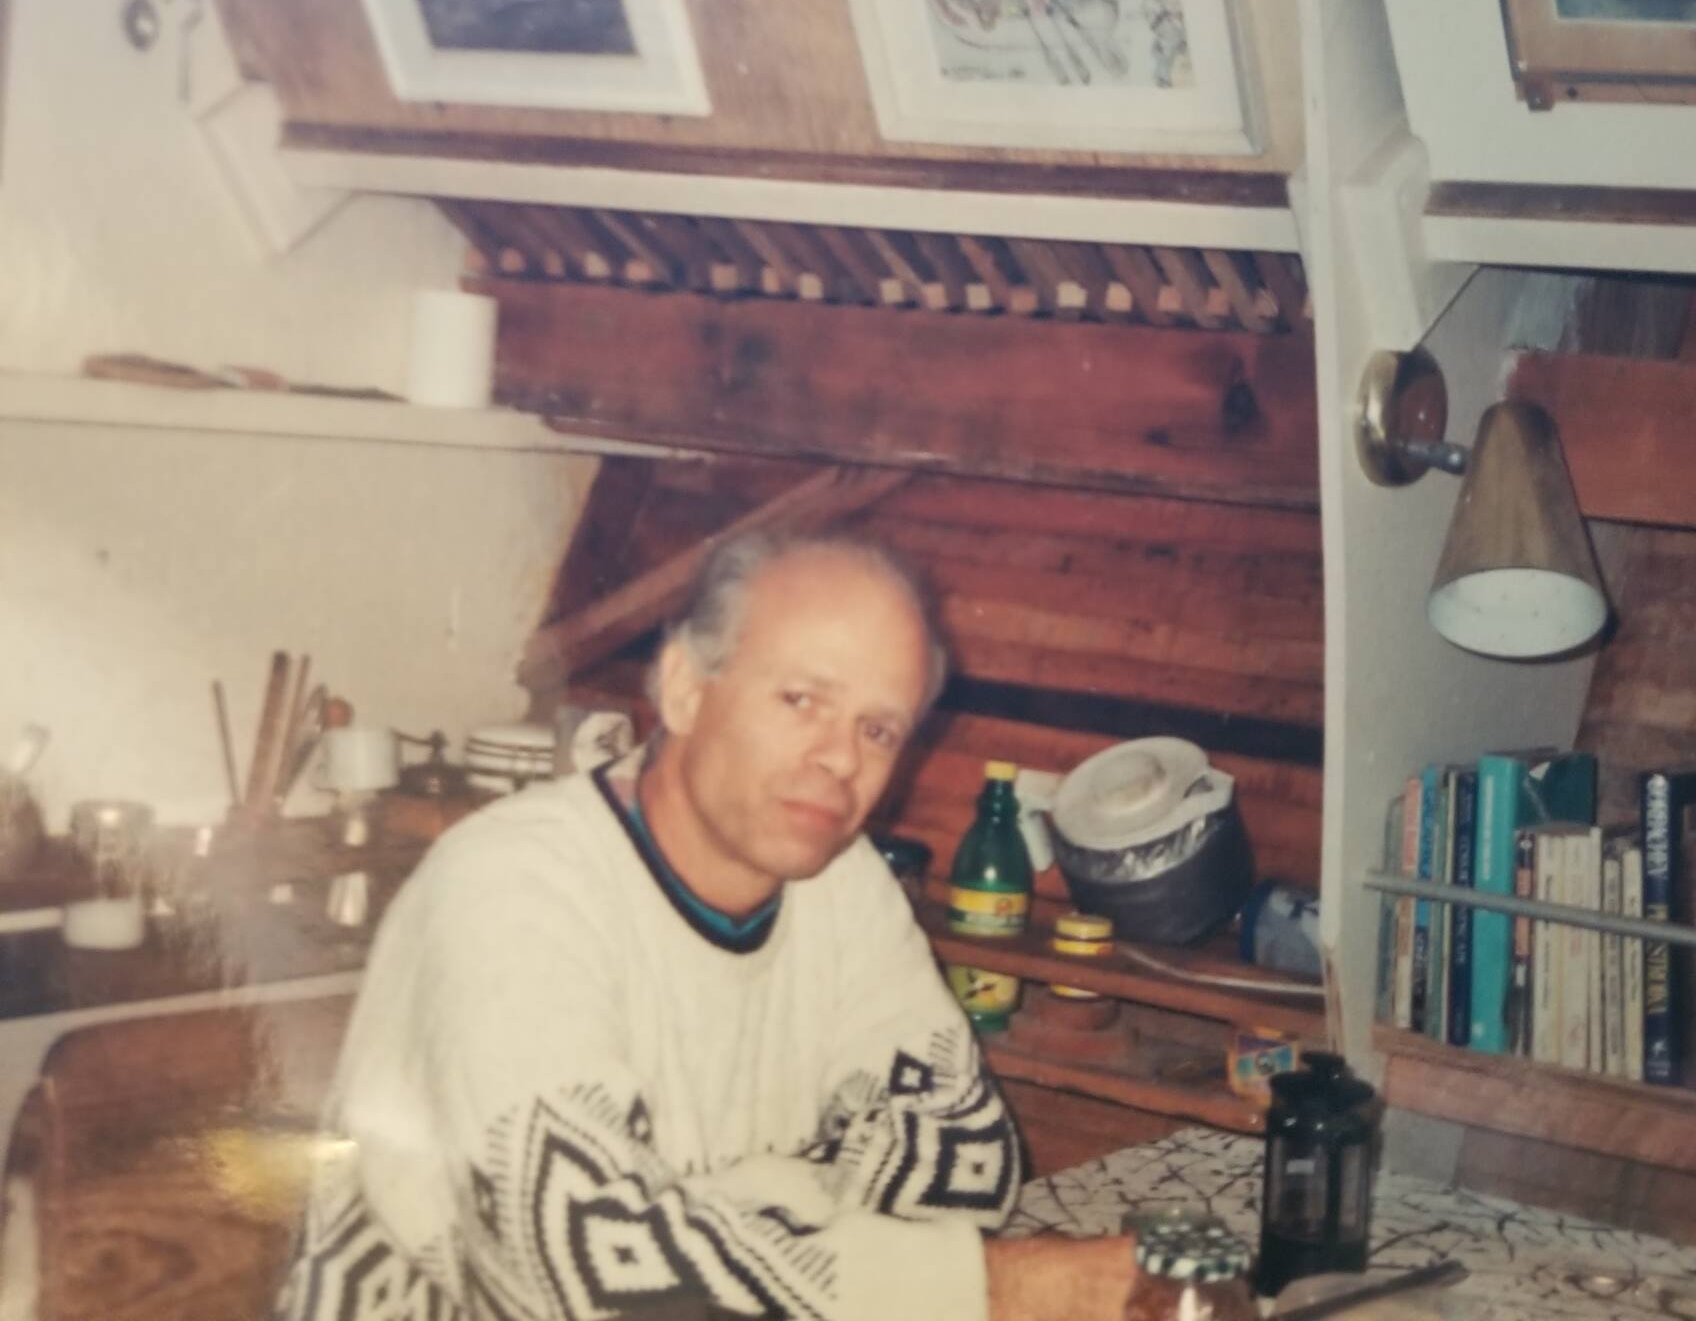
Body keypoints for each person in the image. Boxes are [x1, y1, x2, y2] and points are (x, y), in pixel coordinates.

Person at [274, 532, 1133, 1321]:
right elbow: (587, 1278)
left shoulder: (844, 883)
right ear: (684, 689)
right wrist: (988, 1286)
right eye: (802, 699)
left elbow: (968, 1154)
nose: (841, 758)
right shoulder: (506, 887)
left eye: (878, 729)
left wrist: (717, 1221)